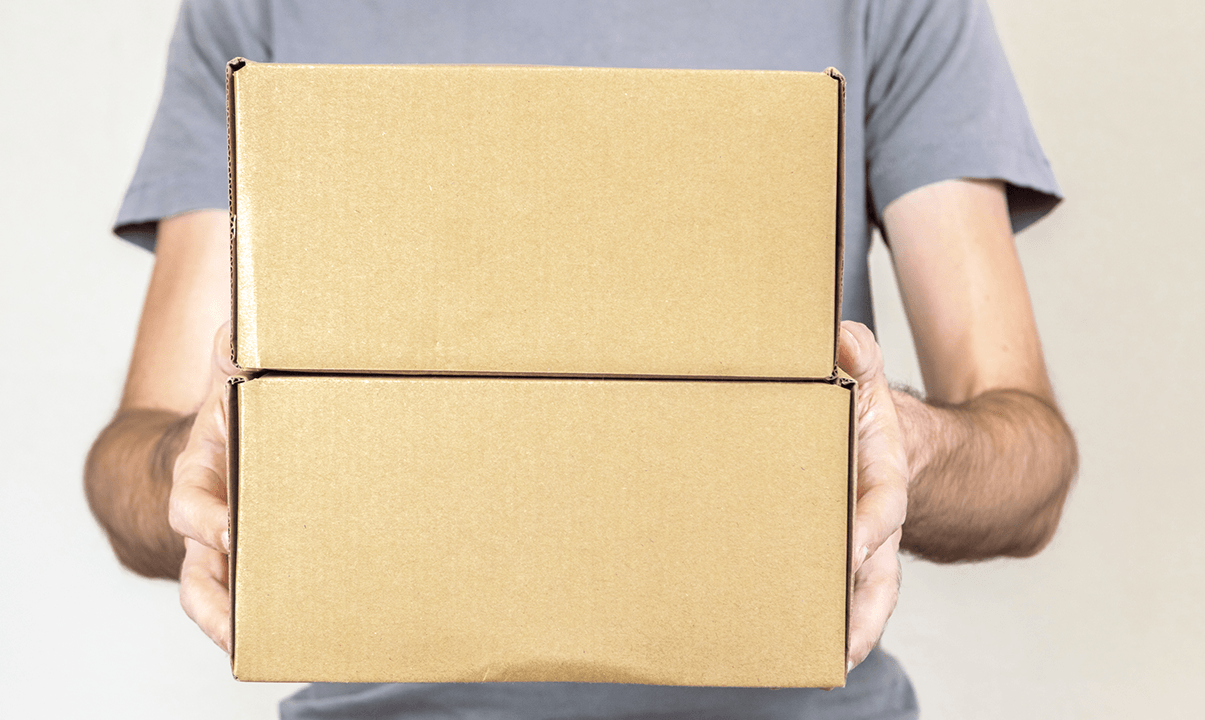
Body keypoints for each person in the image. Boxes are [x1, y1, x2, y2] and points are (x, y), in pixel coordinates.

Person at [85, 1, 1078, 718]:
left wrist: (889, 446)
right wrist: (206, 463)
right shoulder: (261, 9)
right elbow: (135, 466)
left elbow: (1024, 463)